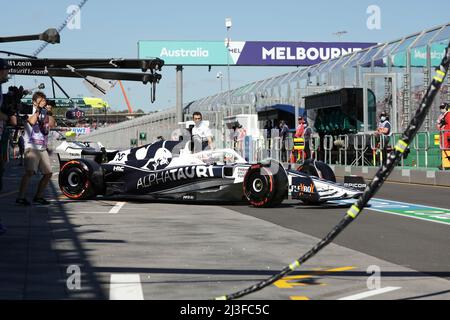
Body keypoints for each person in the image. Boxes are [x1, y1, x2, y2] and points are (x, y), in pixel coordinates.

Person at [16, 92, 56, 206]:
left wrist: (49, 112)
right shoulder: (28, 109)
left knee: (48, 173)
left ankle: (38, 196)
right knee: (30, 172)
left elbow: (52, 125)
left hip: (42, 147)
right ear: (34, 102)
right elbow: (32, 121)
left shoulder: (45, 112)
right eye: (41, 100)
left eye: (44, 100)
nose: (44, 102)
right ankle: (21, 197)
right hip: (31, 146)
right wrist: (38, 110)